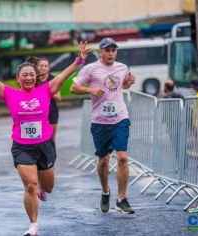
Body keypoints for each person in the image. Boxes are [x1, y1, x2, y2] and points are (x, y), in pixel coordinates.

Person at [0, 41, 89, 236]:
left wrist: (79, 60)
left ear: (35, 77)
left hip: (45, 145)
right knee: (30, 185)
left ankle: (43, 189)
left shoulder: (45, 90)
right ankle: (33, 225)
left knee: (48, 186)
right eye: (25, 75)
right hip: (22, 147)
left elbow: (64, 75)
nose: (29, 77)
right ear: (18, 79)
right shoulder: (10, 94)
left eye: (31, 74)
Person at [70, 37, 136, 214]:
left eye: (113, 50)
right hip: (100, 122)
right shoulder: (91, 69)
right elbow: (73, 88)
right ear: (101, 52)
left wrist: (128, 83)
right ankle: (105, 192)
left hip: (120, 118)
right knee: (103, 160)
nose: (111, 53)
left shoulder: (122, 68)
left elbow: (122, 86)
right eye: (107, 50)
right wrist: (90, 90)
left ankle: (122, 199)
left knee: (122, 157)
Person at [26, 56, 62, 141]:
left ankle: (51, 154)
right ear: (37, 67)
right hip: (36, 113)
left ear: (49, 68)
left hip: (51, 112)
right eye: (41, 65)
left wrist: (47, 91)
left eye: (46, 66)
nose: (43, 68)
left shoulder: (52, 79)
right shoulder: (32, 79)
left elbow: (59, 98)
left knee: (51, 139)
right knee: (36, 139)